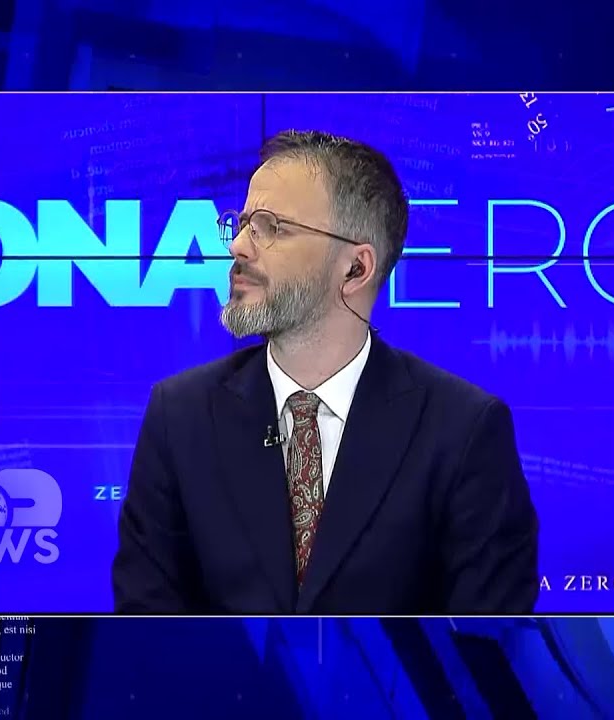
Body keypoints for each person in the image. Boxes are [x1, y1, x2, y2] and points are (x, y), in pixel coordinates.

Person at [111, 130, 539, 615]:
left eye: (271, 227)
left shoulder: (463, 431)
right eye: (242, 223)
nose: (238, 248)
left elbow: (487, 635)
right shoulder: (180, 415)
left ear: (356, 269)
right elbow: (146, 624)